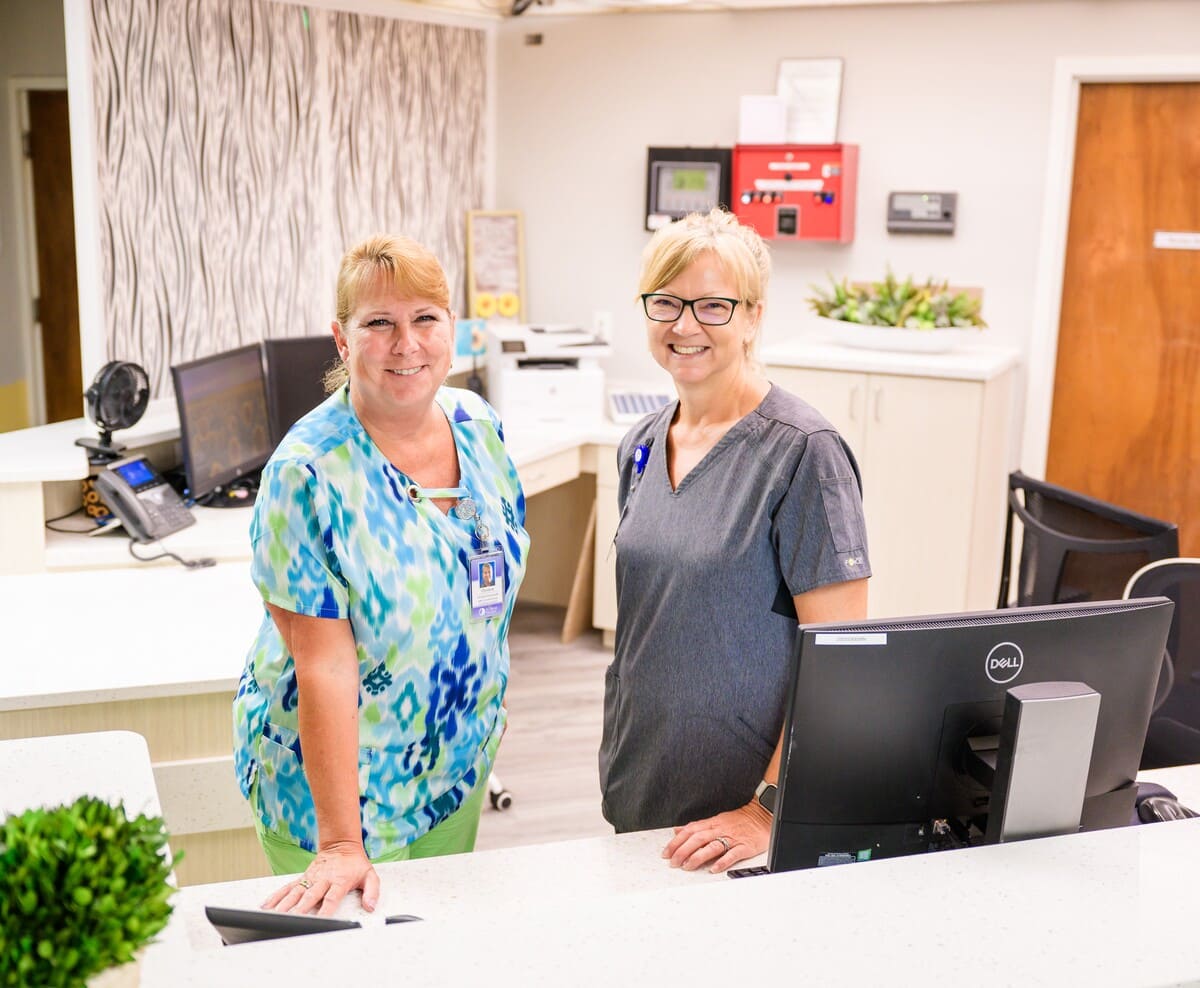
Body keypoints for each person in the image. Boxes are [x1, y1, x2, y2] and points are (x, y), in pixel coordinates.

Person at [233, 233, 529, 915]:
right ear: (342, 339)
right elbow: (325, 668)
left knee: (430, 949)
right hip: (341, 798)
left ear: (453, 329)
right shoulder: (306, 476)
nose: (407, 344)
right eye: (379, 324)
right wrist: (341, 842)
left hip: (453, 765)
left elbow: (488, 590)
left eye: (425, 318)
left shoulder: (478, 427)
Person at [598, 208, 871, 873]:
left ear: (752, 315)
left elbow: (839, 659)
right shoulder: (641, 444)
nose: (685, 325)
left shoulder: (803, 453)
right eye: (665, 302)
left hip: (743, 817)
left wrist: (768, 807)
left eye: (713, 305)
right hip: (640, 784)